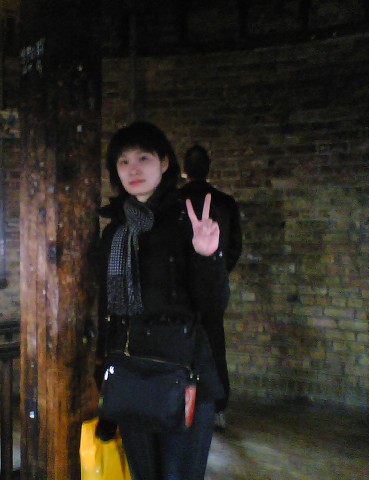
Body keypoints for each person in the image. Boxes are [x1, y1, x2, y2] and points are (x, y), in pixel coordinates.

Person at [94, 121, 228, 480]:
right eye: (123, 162)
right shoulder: (116, 231)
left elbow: (213, 305)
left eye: (143, 158)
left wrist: (207, 255)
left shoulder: (189, 221)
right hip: (131, 373)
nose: (133, 169)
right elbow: (107, 308)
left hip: (182, 374)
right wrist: (101, 366)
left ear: (164, 163)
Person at [179, 145, 242, 431]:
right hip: (214, 288)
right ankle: (218, 407)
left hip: (180, 287)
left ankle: (180, 407)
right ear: (208, 168)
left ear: (184, 170)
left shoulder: (174, 201)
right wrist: (217, 272)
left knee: (179, 346)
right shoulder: (226, 203)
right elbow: (235, 247)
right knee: (215, 344)